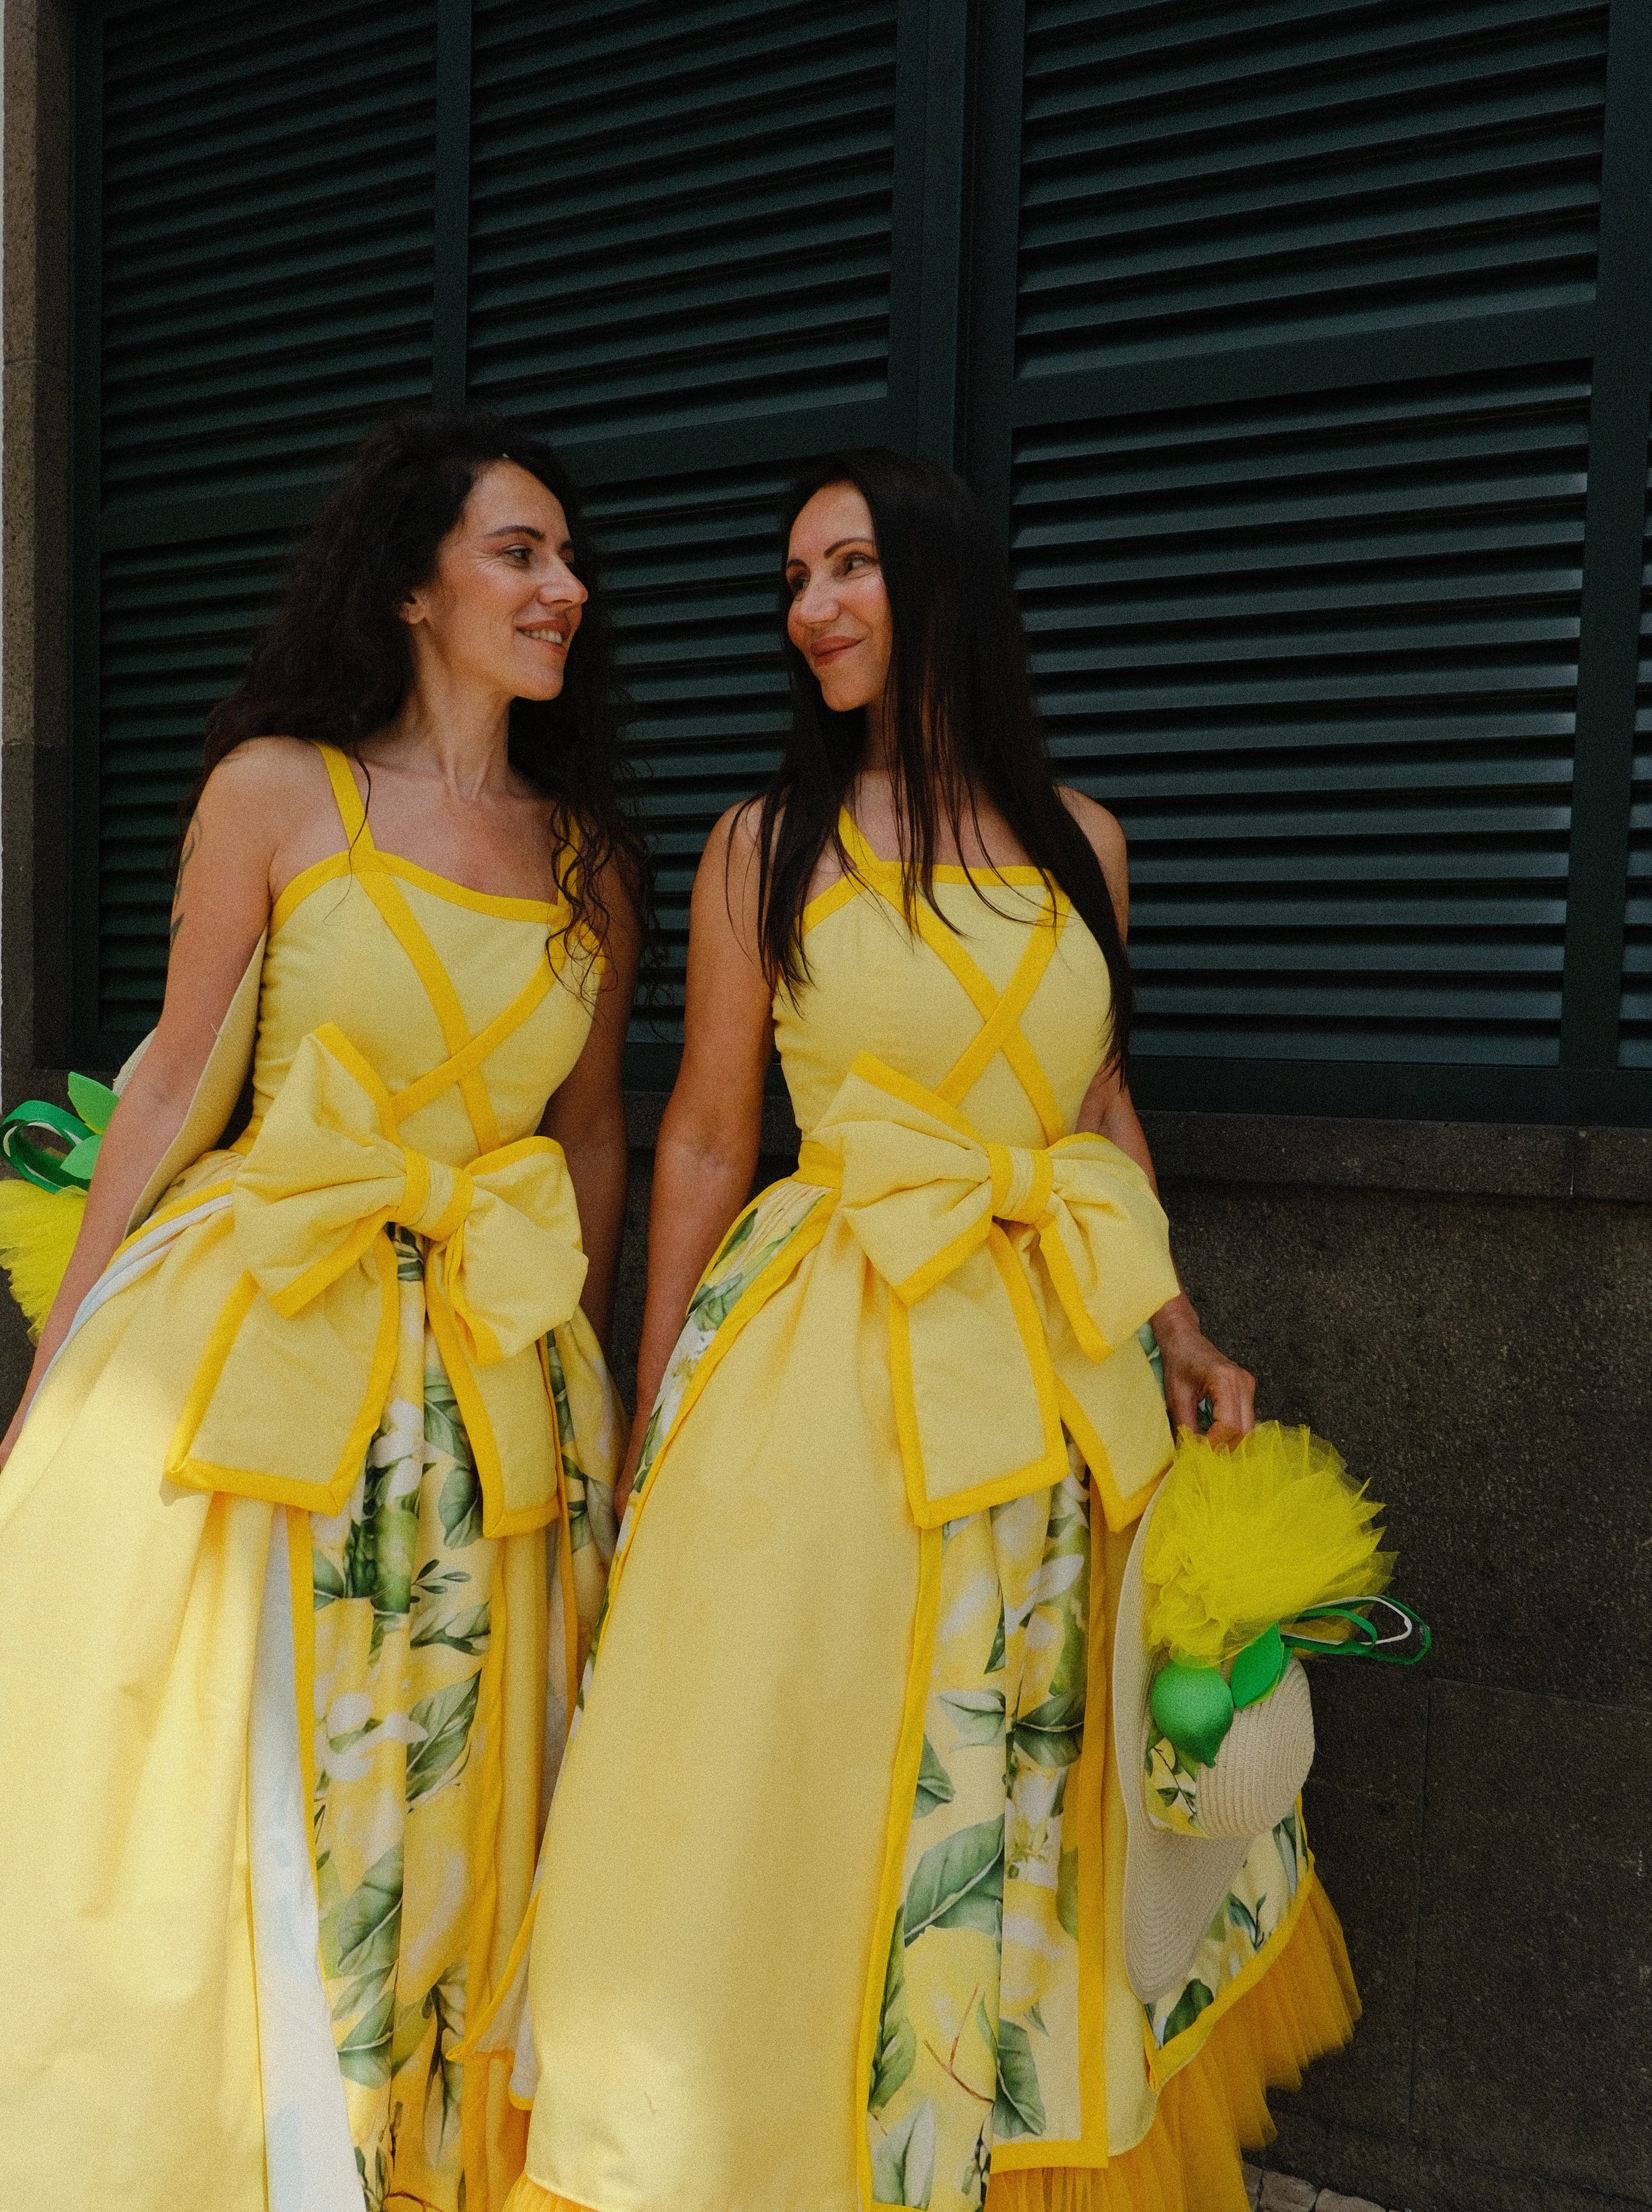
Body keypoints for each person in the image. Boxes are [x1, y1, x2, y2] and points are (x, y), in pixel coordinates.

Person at [476, 449, 1359, 2212]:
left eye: (849, 566)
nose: (813, 609)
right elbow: (713, 1136)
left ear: (941, 579)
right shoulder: (763, 844)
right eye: (796, 580)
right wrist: (655, 1414)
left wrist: (1179, 1323)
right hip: (828, 1359)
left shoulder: (1080, 839)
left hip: (1056, 1363)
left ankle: (978, 2121)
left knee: (1027, 1756)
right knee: (801, 1759)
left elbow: (1095, 1106)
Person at [0, 407, 642, 2212]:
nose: (566, 587)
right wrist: (59, 1358)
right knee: (238, 1757)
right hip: (269, 1321)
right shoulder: (277, 792)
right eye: (520, 551)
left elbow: (594, 1143)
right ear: (414, 585)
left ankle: (412, 2150)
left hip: (494, 1373)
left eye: (566, 558)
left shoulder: (590, 862)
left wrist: (598, 1389)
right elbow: (173, 1080)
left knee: (463, 1756)